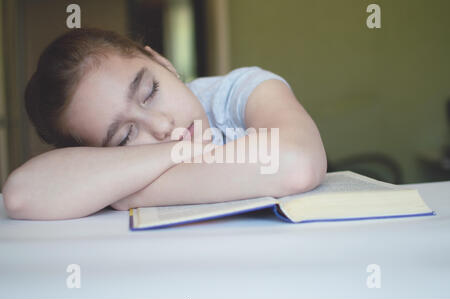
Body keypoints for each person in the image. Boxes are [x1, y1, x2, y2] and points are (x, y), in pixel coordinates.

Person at [2, 28, 327, 220]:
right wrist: (172, 154)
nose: (160, 125)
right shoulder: (138, 149)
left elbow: (296, 162)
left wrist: (132, 193)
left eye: (150, 91)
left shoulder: (242, 90)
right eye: (126, 136)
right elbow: (20, 195)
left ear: (162, 62)